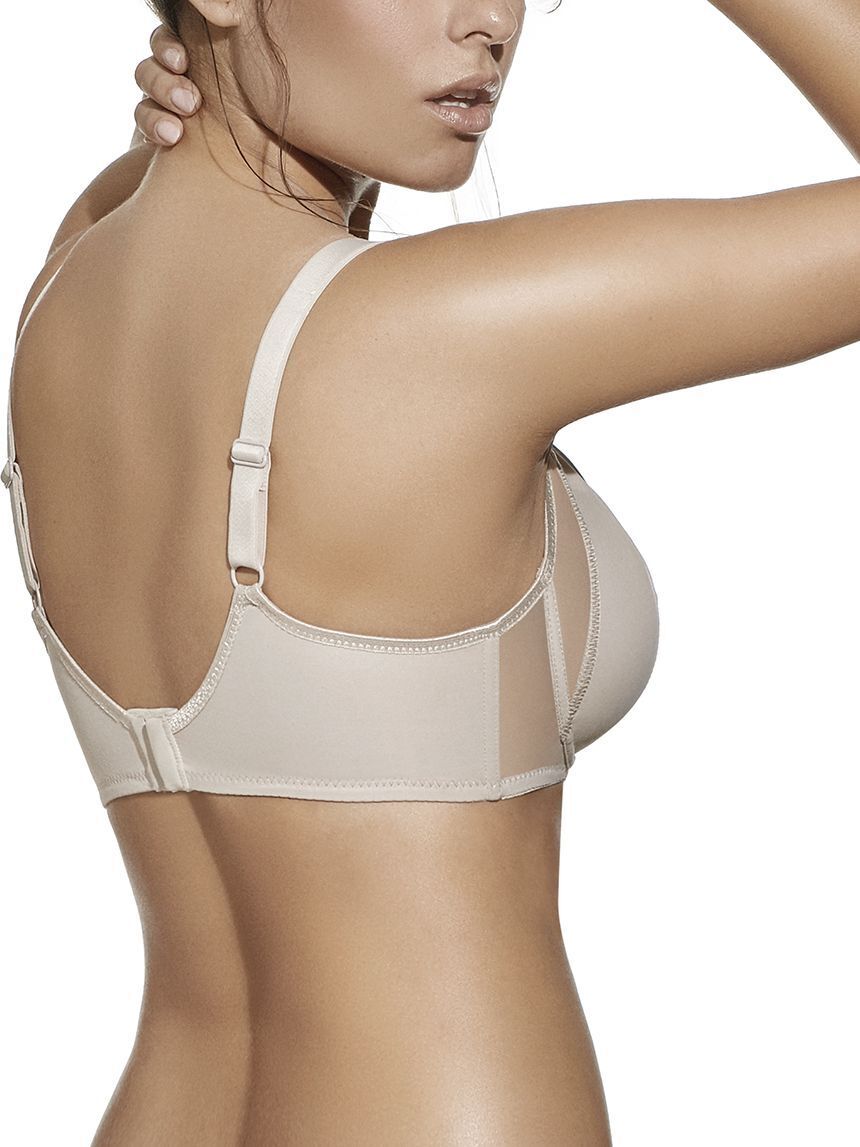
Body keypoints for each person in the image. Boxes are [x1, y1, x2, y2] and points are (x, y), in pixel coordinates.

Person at [4, 1, 858, 1142]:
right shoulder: (435, 333)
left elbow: (180, 179)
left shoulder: (65, 288)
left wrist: (212, 67)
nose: (489, 21)